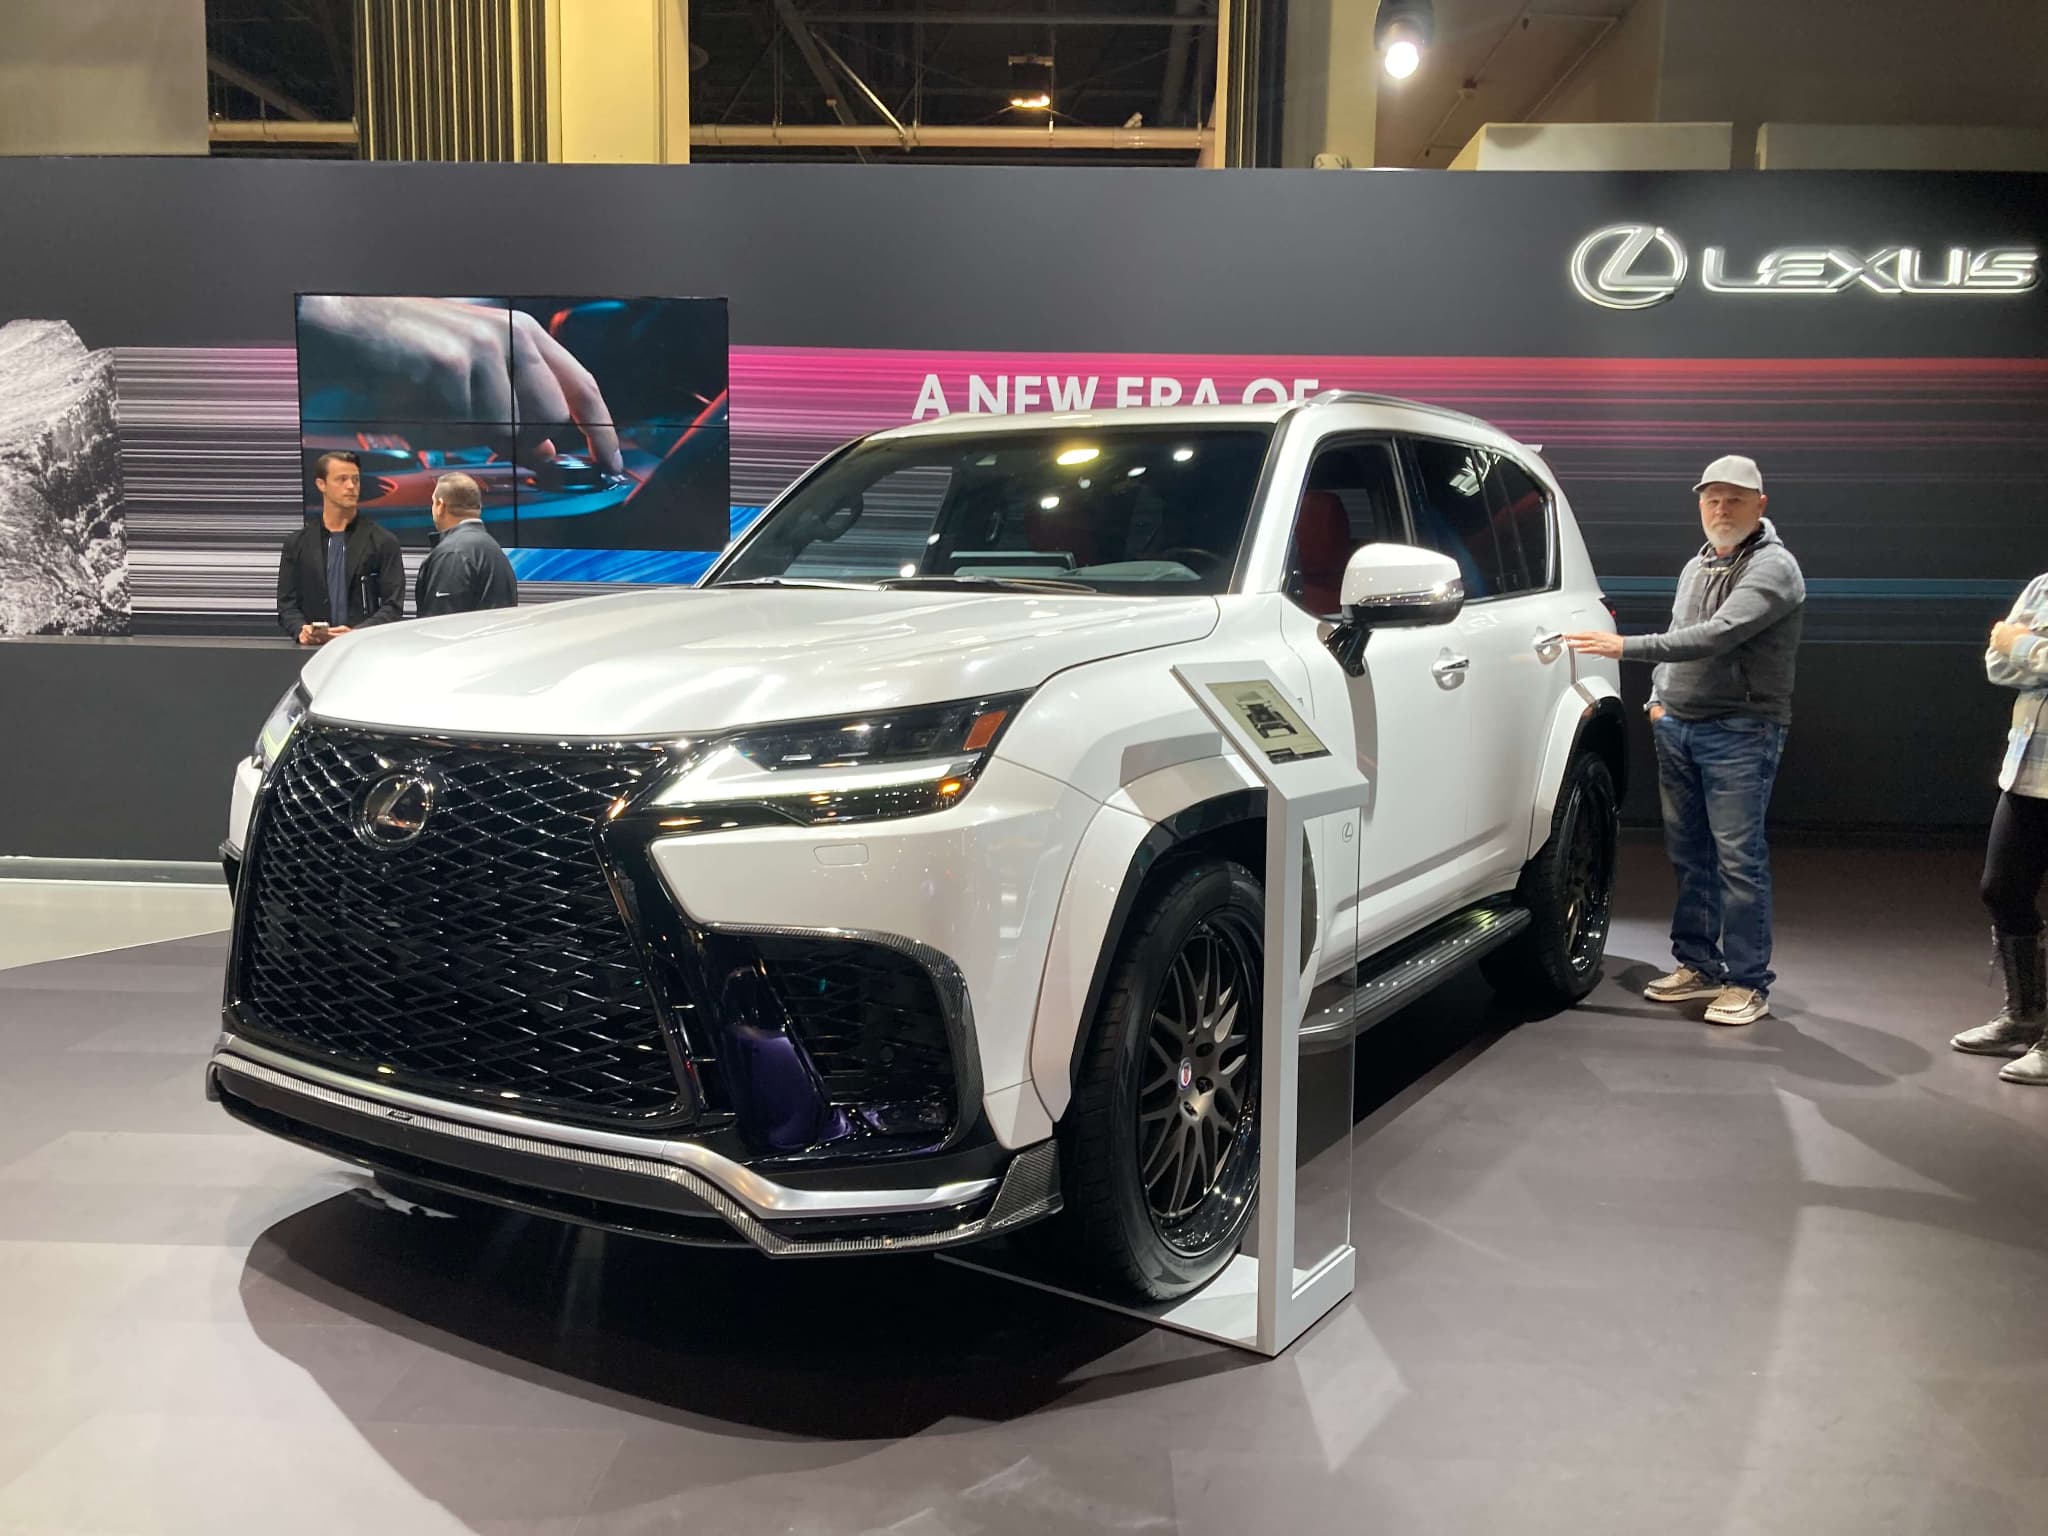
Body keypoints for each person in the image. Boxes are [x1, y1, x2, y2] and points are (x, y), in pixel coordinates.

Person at [1565, 454, 1806, 1027]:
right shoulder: (1698, 564)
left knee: (1738, 862)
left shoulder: (1775, 568)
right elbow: (1681, 632)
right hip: (1678, 726)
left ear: (1760, 505)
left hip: (1740, 731)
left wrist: (1625, 648)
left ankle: (1748, 982)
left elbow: (1716, 636)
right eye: (1711, 499)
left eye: (1734, 499)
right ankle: (1699, 966)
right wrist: (1657, 699)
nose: (1721, 509)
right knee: (1691, 855)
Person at [1950, 575, 2048, 1084]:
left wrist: (2024, 645)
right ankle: (2026, 1015)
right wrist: (2025, 652)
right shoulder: (2042, 587)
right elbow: (1996, 663)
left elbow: (2013, 649)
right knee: (2003, 888)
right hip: (2029, 769)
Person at [278, 451, 405, 645]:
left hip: (363, 648)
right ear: (321, 484)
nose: (351, 486)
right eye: (342, 479)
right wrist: (300, 629)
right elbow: (286, 605)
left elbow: (393, 605)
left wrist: (357, 633)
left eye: (355, 480)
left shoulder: (383, 541)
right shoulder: (297, 544)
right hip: (313, 653)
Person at [415, 472, 517, 617]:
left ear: (440, 505)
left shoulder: (452, 554)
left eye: (433, 502)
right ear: (478, 507)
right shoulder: (492, 547)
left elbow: (441, 623)